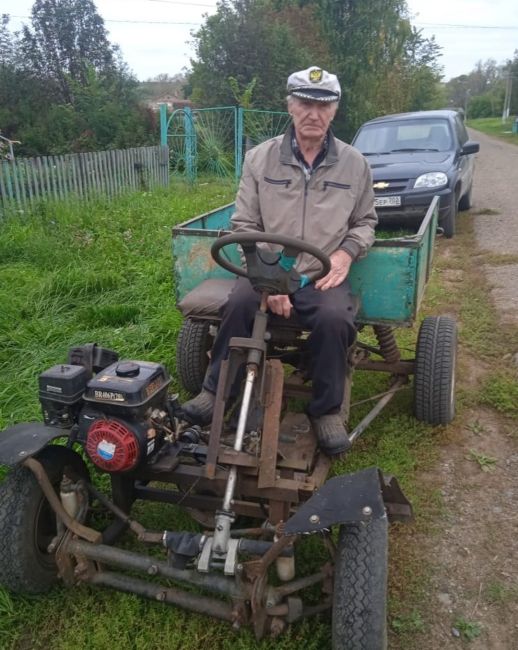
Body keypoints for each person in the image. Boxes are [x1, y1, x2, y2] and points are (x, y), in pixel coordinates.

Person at [182, 66, 377, 456]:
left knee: (336, 319)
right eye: (305, 103)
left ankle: (326, 410)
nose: (313, 114)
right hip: (264, 270)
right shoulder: (260, 159)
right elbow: (244, 224)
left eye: (323, 106)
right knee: (237, 305)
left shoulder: (355, 164)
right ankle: (215, 391)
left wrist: (346, 252)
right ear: (290, 106)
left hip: (318, 276)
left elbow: (366, 222)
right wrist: (267, 282)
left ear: (335, 110)